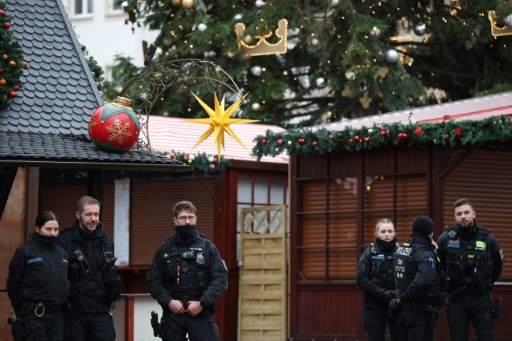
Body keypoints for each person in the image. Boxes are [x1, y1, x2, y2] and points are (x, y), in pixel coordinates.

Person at [147, 200, 228, 341]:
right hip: (173, 315)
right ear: (175, 220)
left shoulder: (208, 248)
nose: (187, 222)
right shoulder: (164, 249)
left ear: (196, 219)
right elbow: (153, 280)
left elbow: (220, 280)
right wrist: (169, 302)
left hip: (200, 313)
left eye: (191, 217)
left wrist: (201, 303)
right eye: (183, 218)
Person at [437, 198, 504, 341]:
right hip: (455, 298)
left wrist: (484, 281)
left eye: (466, 212)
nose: (463, 216)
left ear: (474, 214)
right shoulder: (445, 239)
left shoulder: (488, 239)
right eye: (459, 214)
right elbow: (438, 265)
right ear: (455, 217)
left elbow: (498, 265)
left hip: (480, 298)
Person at [56, 195, 121, 341]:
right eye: (89, 214)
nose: (93, 218)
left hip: (100, 310)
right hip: (73, 311)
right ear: (78, 215)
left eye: (96, 214)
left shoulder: (106, 241)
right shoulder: (64, 240)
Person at [7, 211, 70, 340]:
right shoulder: (25, 252)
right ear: (37, 229)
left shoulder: (63, 253)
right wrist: (22, 311)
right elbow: (13, 285)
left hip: (58, 317)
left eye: (56, 229)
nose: (52, 233)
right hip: (33, 316)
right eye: (48, 229)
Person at [390, 216, 440, 341]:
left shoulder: (401, 249)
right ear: (430, 233)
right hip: (419, 314)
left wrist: (401, 298)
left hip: (401, 311)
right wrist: (405, 297)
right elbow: (423, 280)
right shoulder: (425, 253)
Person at [356, 218, 400, 341]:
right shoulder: (369, 253)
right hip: (375, 304)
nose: (387, 235)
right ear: (376, 234)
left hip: (397, 303)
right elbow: (360, 279)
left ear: (395, 233)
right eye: (383, 231)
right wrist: (382, 293)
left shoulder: (402, 252)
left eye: (390, 231)